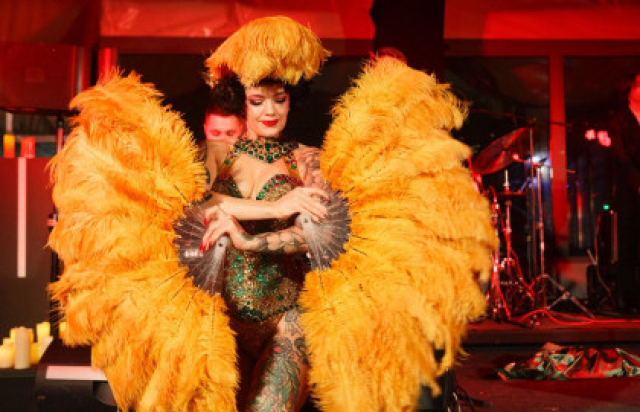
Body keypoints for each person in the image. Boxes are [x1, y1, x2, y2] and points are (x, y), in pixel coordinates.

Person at [198, 18, 330, 411]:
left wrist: (248, 240)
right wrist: (275, 207)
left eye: (279, 99)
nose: (269, 111)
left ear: (293, 100)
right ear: (241, 102)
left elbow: (317, 234)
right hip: (221, 322)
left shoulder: (308, 159)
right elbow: (197, 206)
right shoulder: (216, 154)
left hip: (286, 320)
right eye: (257, 101)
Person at [608, 70, 640, 312]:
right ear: (630, 89)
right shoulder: (619, 119)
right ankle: (630, 300)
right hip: (630, 190)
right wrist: (636, 181)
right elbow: (620, 155)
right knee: (629, 245)